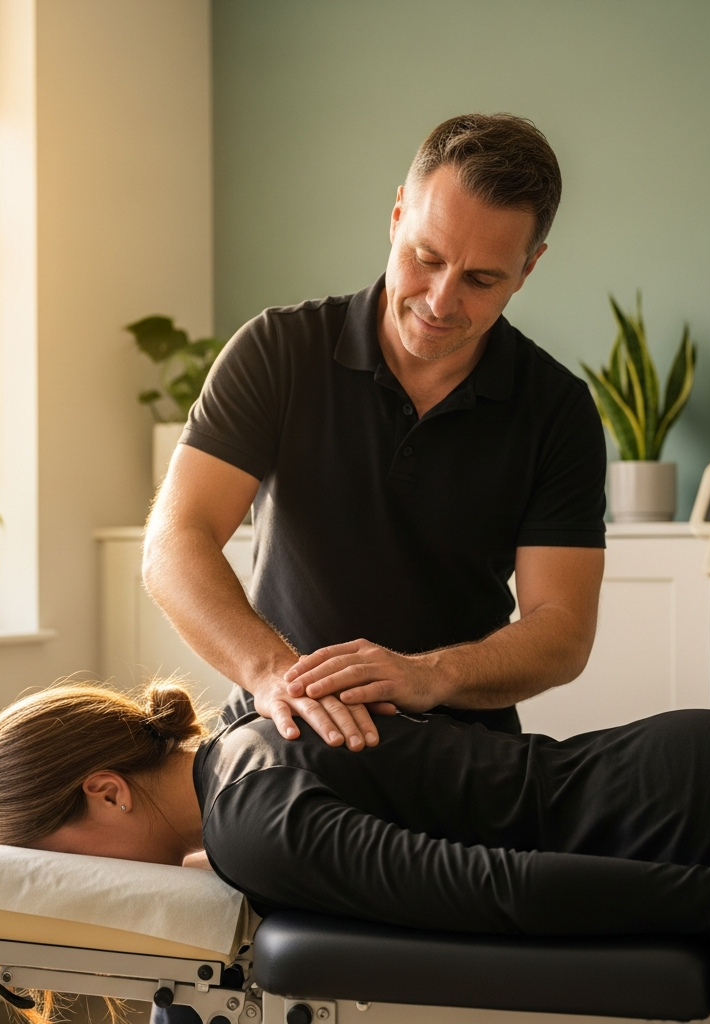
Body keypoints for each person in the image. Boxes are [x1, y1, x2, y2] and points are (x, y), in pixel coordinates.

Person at [142, 114, 607, 752]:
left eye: (480, 279)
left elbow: (563, 631)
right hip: (283, 732)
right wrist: (274, 674)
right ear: (396, 218)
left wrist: (427, 675)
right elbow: (175, 541)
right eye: (427, 257)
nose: (441, 302)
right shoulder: (279, 350)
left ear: (528, 269)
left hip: (462, 752)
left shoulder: (558, 410)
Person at [0, 680, 710, 938]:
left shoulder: (251, 828)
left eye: (67, 856)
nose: (85, 882)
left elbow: (507, 890)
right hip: (679, 768)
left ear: (107, 789)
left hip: (700, 820)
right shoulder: (251, 730)